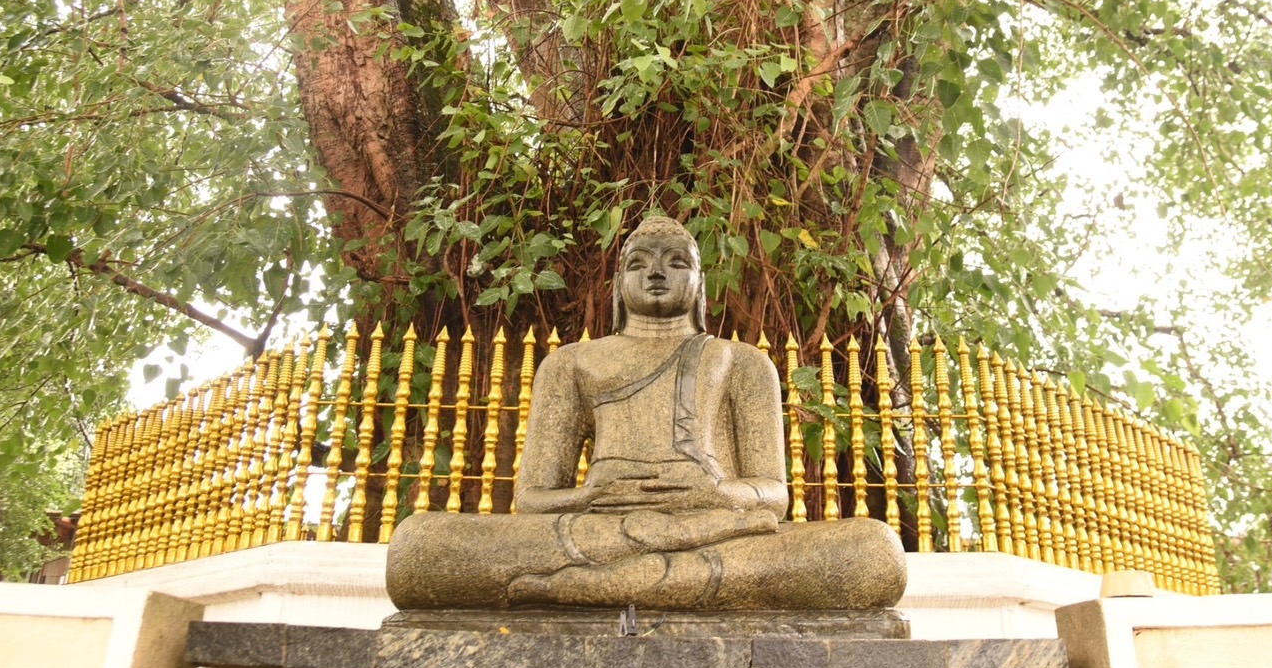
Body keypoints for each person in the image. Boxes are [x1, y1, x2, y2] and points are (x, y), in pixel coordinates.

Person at [385, 215, 907, 611]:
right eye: (639, 263)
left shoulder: (743, 362)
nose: (656, 272)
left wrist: (718, 494)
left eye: (676, 262)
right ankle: (656, 582)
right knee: (419, 548)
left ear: (700, 283)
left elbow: (773, 494)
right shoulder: (570, 364)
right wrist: (587, 498)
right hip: (594, 530)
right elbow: (533, 498)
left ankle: (581, 588)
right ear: (618, 284)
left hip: (712, 527)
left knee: (872, 552)